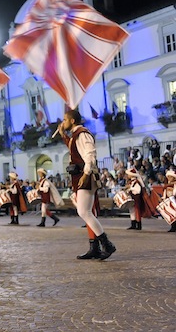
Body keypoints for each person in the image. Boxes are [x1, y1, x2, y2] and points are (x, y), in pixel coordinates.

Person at [58, 109, 116, 260]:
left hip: (85, 175)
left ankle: (107, 244)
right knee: (88, 211)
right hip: (80, 176)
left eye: (65, 120)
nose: (62, 122)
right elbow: (74, 151)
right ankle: (94, 247)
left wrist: (86, 173)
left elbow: (89, 155)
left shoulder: (82, 134)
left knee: (84, 211)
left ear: (72, 121)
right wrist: (63, 135)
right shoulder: (75, 136)